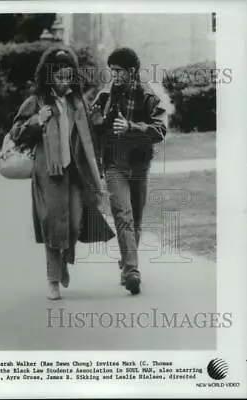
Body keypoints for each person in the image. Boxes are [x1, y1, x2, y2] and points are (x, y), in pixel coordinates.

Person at [9, 44, 115, 300]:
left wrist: (100, 121)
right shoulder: (36, 103)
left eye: (69, 76)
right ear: (49, 76)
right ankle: (53, 280)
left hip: (76, 173)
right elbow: (15, 134)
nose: (64, 81)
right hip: (48, 174)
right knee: (53, 227)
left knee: (76, 223)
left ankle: (64, 259)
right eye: (59, 76)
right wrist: (38, 120)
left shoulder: (77, 103)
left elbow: (91, 137)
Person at [90, 47, 167, 295]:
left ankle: (127, 259)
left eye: (119, 71)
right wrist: (98, 124)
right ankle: (132, 272)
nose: (115, 75)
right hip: (114, 164)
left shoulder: (147, 95)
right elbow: (94, 129)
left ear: (132, 71)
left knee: (136, 219)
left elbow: (160, 131)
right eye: (112, 71)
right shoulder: (104, 96)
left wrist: (132, 127)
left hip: (139, 165)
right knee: (123, 215)